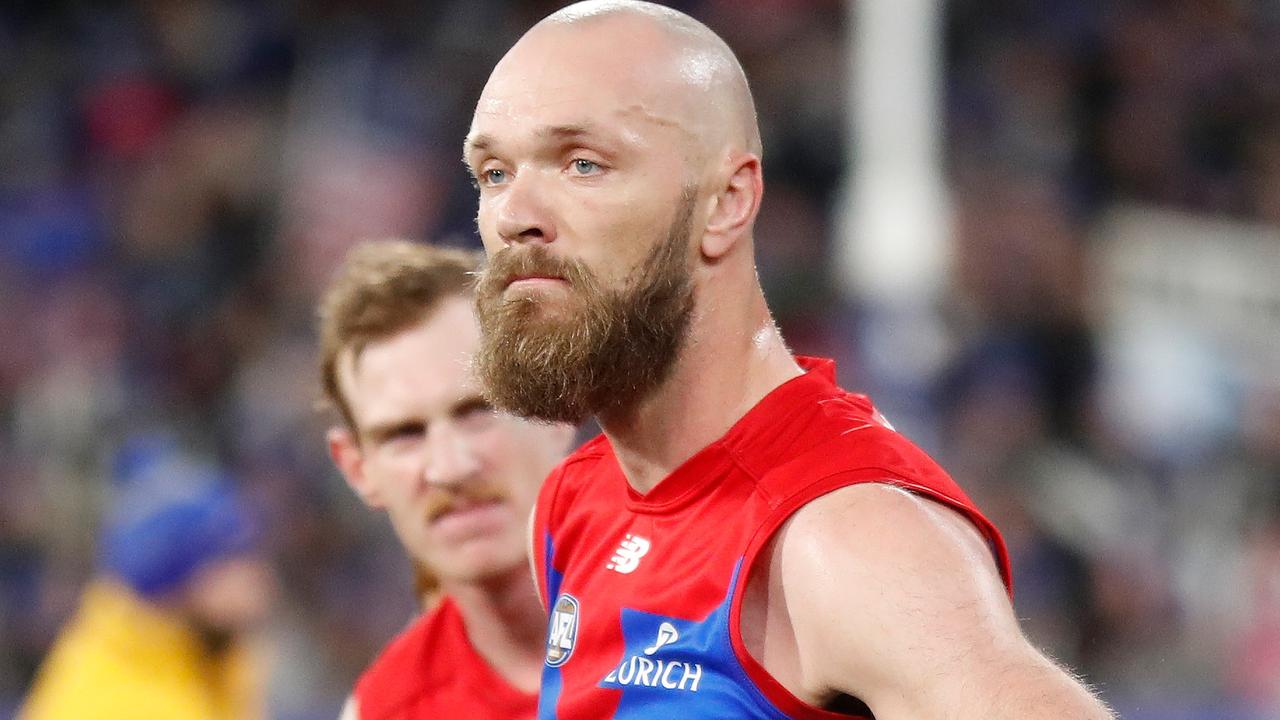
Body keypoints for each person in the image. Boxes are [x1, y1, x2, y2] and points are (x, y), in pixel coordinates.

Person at [463, 1, 1116, 718]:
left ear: (727, 203)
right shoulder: (573, 504)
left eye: (583, 163)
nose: (512, 213)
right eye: (493, 172)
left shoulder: (844, 534)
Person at [317, 240, 576, 719]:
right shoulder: (385, 711)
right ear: (357, 468)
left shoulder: (707, 602)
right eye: (404, 434)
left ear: (556, 405)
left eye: (478, 410)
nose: (451, 468)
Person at [19, 434, 275, 720]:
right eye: (229, 559)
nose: (257, 576)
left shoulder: (208, 657)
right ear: (173, 584)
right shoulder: (119, 705)